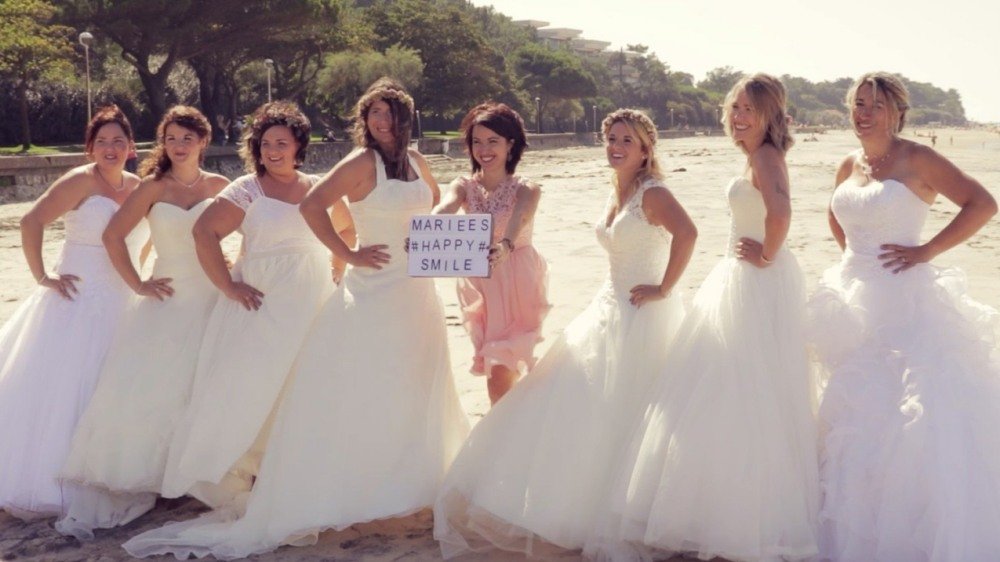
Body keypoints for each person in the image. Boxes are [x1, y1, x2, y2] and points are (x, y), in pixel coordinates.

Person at [124, 77, 470, 560]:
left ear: (406, 118)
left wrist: (439, 231)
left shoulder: (417, 161)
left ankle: (412, 474)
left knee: (414, 375)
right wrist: (348, 254)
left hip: (414, 287)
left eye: (390, 112)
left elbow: (429, 206)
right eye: (373, 112)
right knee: (335, 378)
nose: (382, 121)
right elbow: (310, 211)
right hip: (354, 288)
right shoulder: (356, 163)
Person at [433, 108, 697, 559]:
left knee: (635, 406)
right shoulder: (618, 189)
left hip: (643, 311)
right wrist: (430, 229)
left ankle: (638, 509)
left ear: (645, 148)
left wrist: (664, 288)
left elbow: (687, 233)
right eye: (611, 138)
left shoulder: (653, 192)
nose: (616, 147)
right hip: (608, 305)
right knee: (591, 403)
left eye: (627, 140)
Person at [588, 73, 820, 562]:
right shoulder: (756, 156)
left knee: (743, 389)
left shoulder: (766, 156)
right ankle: (721, 507)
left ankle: (742, 514)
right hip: (745, 275)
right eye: (735, 107)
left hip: (754, 280)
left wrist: (766, 255)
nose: (739, 116)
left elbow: (781, 211)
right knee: (737, 389)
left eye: (750, 109)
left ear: (770, 115)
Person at [810, 72, 999, 561]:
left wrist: (927, 250)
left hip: (902, 300)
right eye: (858, 103)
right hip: (849, 297)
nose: (864, 113)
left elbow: (983, 204)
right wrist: (853, 258)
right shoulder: (848, 163)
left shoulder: (918, 158)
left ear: (897, 112)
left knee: (898, 411)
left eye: (876, 104)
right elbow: (836, 214)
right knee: (846, 406)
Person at [155, 101, 351, 509]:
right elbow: (204, 232)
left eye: (281, 143)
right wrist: (227, 285)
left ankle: (292, 463)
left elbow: (346, 229)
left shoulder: (319, 186)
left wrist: (337, 268)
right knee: (253, 383)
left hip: (313, 299)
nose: (272, 151)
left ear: (299, 146)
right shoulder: (247, 188)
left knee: (305, 380)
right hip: (264, 302)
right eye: (265, 144)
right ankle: (244, 465)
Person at [55, 106, 230, 538]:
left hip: (213, 296)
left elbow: (252, 231)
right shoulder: (153, 187)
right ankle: (153, 476)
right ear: (162, 143)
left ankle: (194, 474)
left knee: (207, 384)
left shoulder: (221, 186)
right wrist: (138, 283)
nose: (179, 145)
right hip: (167, 298)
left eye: (187, 138)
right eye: (171, 138)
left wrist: (235, 269)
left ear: (203, 141)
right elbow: (112, 236)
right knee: (158, 389)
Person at [0, 106, 149, 519]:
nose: (110, 148)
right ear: (89, 148)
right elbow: (31, 222)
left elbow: (143, 240)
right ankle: (51, 480)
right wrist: (42, 276)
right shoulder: (80, 181)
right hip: (77, 298)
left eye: (118, 141)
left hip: (123, 300)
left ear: (131, 147)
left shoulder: (140, 187)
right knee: (66, 387)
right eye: (102, 142)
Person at [431, 102, 549, 404]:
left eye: (493, 141)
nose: (484, 150)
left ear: (510, 144)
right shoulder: (463, 185)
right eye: (477, 142)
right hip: (481, 284)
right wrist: (426, 229)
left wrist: (505, 245)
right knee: (496, 368)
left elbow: (519, 218)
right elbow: (446, 207)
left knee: (502, 368)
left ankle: (505, 425)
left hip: (517, 282)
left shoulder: (527, 188)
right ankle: (508, 423)